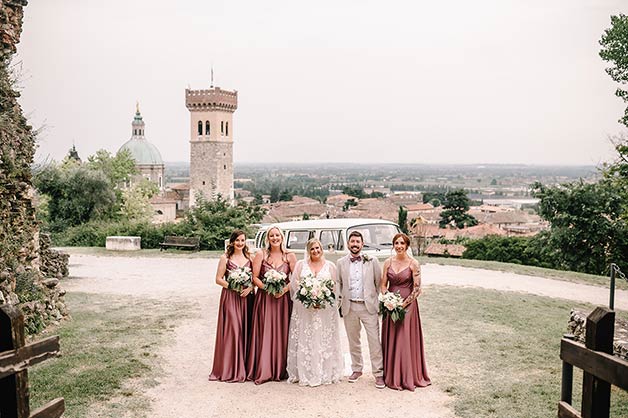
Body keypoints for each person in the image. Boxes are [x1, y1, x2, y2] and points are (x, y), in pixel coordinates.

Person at [286, 238, 344, 386]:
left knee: (323, 337)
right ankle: (306, 371)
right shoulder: (301, 265)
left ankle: (326, 370)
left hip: (325, 310)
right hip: (305, 309)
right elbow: (295, 285)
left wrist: (322, 299)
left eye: (318, 248)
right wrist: (308, 298)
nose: (315, 251)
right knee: (307, 337)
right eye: (312, 249)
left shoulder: (330, 266)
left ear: (322, 249)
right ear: (308, 251)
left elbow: (335, 288)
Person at [380, 232, 431, 391]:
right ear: (393, 245)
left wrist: (402, 304)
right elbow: (383, 284)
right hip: (390, 306)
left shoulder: (413, 263)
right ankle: (391, 375)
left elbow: (417, 289)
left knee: (404, 339)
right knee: (392, 338)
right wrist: (387, 299)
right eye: (397, 243)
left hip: (408, 307)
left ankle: (407, 376)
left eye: (402, 243)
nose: (399, 246)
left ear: (407, 246)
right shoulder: (388, 262)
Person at [246, 226, 297, 384]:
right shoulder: (261, 254)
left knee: (282, 331)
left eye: (277, 235)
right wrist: (267, 288)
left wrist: (284, 289)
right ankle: (264, 368)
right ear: (268, 238)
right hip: (265, 299)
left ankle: (280, 369)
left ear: (282, 237)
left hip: (282, 300)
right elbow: (254, 277)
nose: (275, 238)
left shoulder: (290, 255)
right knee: (265, 331)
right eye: (272, 236)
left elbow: (295, 278)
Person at [336, 231, 385, 389]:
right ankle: (357, 369)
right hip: (349, 306)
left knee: (374, 341)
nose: (355, 244)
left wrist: (372, 299)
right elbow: (339, 283)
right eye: (352, 241)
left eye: (358, 241)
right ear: (348, 244)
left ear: (362, 244)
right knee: (353, 341)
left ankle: (378, 373)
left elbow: (379, 282)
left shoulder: (372, 261)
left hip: (368, 307)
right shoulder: (341, 262)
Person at [208, 230, 255, 382]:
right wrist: (232, 286)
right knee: (233, 330)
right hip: (231, 297)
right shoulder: (225, 258)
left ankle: (244, 368)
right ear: (232, 242)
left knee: (246, 330)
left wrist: (250, 288)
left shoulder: (250, 257)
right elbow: (218, 279)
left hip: (247, 298)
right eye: (237, 240)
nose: (240, 243)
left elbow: (255, 277)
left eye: (243, 240)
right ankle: (231, 369)